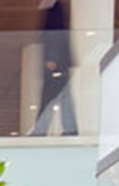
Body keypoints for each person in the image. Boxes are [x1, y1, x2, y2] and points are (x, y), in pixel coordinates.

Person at [26, 0, 78, 136]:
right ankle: (70, 128)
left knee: (49, 95)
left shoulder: (53, 8)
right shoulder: (54, 7)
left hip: (56, 62)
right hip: (61, 61)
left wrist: (52, 58)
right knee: (63, 95)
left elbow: (55, 33)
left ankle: (40, 130)